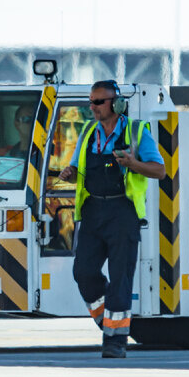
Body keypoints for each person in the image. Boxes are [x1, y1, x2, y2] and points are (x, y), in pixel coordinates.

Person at [58, 80, 164, 358]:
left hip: (122, 213)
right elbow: (75, 164)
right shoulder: (88, 131)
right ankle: (108, 322)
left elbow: (159, 171)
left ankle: (116, 341)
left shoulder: (137, 131)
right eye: (91, 102)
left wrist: (134, 164)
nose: (92, 108)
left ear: (116, 104)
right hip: (93, 212)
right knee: (83, 272)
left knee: (120, 278)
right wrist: (68, 172)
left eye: (98, 102)